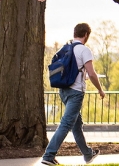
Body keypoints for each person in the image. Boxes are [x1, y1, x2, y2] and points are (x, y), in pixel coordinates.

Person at [42, 23, 104, 166]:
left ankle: (88, 155)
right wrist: (100, 89)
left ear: (75, 33)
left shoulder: (65, 48)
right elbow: (92, 74)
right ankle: (49, 155)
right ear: (86, 35)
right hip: (76, 93)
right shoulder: (84, 50)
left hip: (63, 91)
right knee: (66, 124)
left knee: (76, 125)